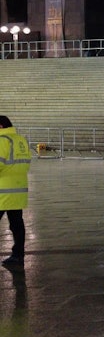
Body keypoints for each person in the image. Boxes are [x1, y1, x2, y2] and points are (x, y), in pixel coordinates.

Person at [0, 116, 31, 270]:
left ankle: (17, 255)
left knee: (17, 223)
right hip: (18, 190)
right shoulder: (20, 140)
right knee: (17, 223)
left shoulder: (2, 141)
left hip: (2, 190)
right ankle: (18, 255)